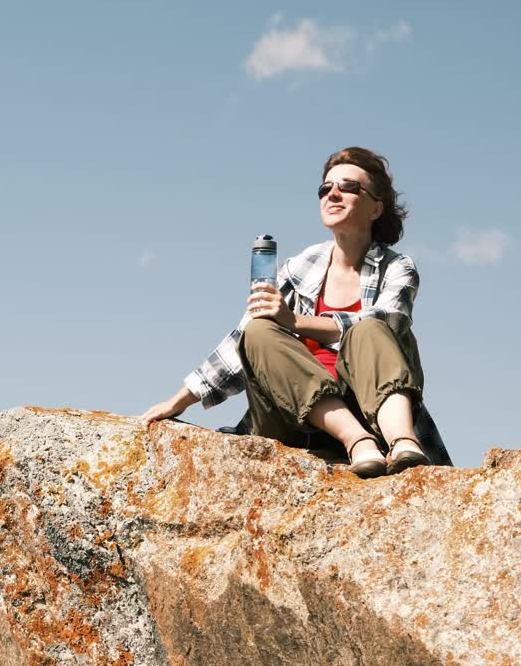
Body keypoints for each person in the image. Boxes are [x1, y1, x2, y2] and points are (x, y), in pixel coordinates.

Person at [140, 147, 451, 477]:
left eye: (348, 187)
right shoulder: (300, 266)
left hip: (368, 406)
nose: (332, 193)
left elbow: (390, 321)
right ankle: (357, 442)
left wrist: (296, 322)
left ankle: (403, 442)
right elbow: (242, 342)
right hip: (296, 416)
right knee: (258, 331)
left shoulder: (397, 267)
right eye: (325, 188)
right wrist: (181, 399)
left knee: (371, 329)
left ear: (376, 208)